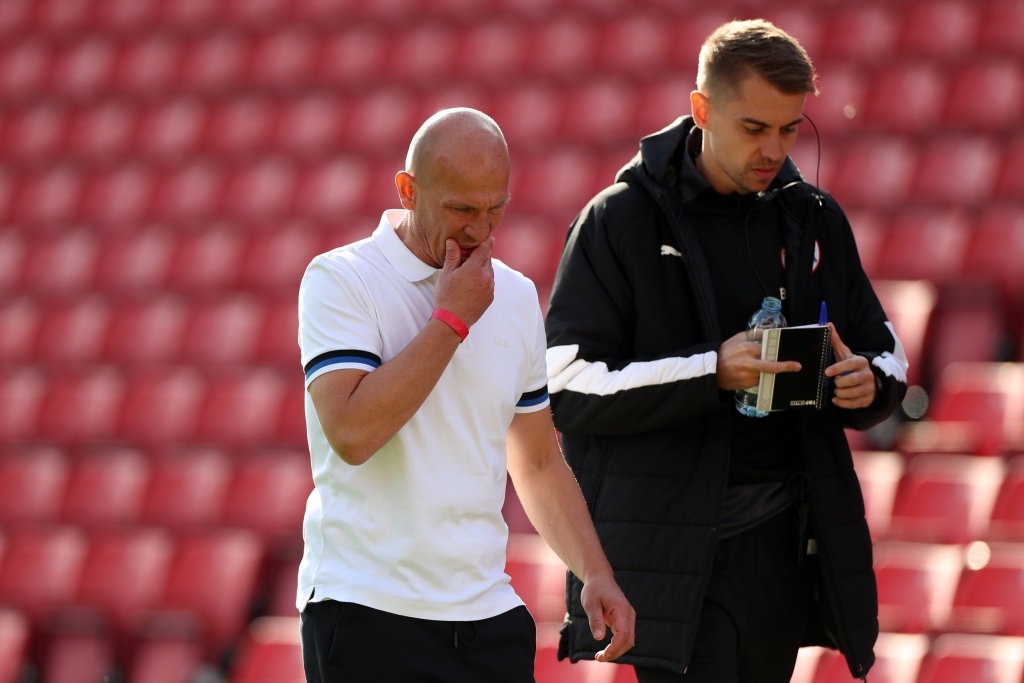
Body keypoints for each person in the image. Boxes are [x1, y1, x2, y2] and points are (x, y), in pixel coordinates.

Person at [544, 20, 908, 683]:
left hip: (781, 545)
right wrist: (711, 371)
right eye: (754, 128)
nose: (775, 147)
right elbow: (566, 385)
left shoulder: (813, 217)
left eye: (790, 128)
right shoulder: (617, 220)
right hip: (669, 555)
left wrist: (867, 384)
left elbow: (886, 353)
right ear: (702, 110)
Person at [296, 108, 635, 682]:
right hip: (365, 612)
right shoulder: (340, 279)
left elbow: (536, 459)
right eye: (460, 209)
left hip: (488, 618)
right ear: (408, 190)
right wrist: (451, 319)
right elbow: (353, 435)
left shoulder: (518, 295)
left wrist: (594, 572)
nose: (480, 230)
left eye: (495, 209)